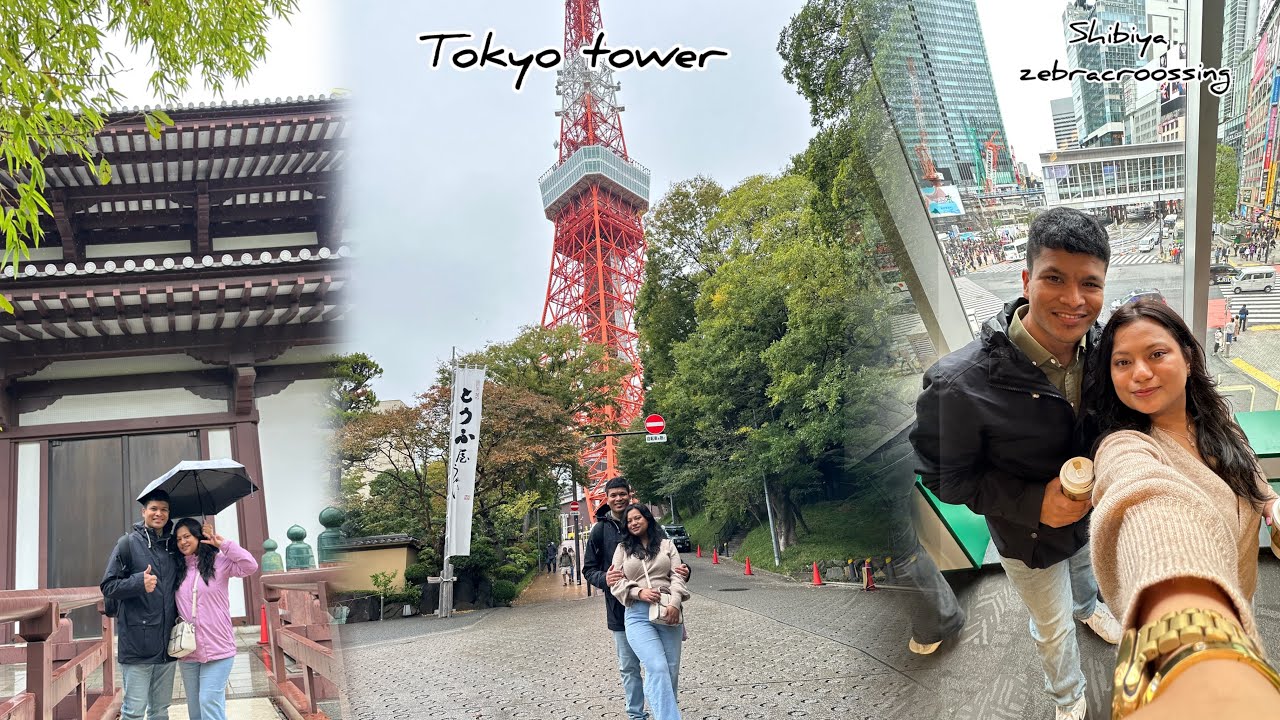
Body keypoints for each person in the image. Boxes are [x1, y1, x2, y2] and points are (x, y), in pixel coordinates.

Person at [911, 207, 1121, 720]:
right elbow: (943, 475)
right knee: (1051, 625)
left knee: (1082, 568)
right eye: (1055, 278)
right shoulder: (959, 384)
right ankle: (1067, 698)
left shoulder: (1104, 350)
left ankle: (1090, 608)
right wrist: (1034, 504)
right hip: (1024, 534)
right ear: (1027, 280)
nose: (1074, 301)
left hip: (1085, 515)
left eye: (1089, 284)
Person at [1084, 300, 1280, 717]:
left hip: (1238, 587)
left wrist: (1269, 501)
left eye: (1156, 354)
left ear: (1188, 357)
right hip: (1217, 607)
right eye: (1122, 362)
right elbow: (1148, 500)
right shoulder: (1126, 446)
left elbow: (1244, 465)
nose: (1139, 373)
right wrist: (1187, 634)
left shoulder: (1213, 415)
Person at [583, 478, 690, 720]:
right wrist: (607, 579)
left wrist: (685, 575)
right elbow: (589, 569)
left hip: (663, 608)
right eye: (613, 495)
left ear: (630, 496)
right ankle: (636, 715)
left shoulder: (658, 534)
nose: (618, 498)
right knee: (630, 668)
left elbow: (673, 566)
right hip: (622, 610)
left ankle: (664, 712)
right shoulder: (600, 530)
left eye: (622, 494)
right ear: (606, 498)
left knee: (665, 669)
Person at [100, 490, 180, 720]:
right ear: (143, 511)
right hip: (137, 644)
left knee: (160, 711)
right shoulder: (127, 544)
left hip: (167, 645)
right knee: (134, 712)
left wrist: (206, 539)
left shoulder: (172, 546)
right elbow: (108, 586)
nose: (159, 513)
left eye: (164, 509)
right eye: (154, 509)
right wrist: (137, 582)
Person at [173, 519, 259, 720]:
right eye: (178, 539)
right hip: (188, 649)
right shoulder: (177, 569)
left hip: (218, 647)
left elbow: (250, 566)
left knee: (209, 701)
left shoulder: (219, 562)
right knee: (195, 710)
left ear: (198, 536)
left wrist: (223, 544)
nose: (183, 542)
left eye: (187, 536)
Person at [610, 503, 688, 720]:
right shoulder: (622, 550)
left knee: (670, 672)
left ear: (648, 518)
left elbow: (678, 576)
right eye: (629, 520)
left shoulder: (667, 545)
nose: (633, 523)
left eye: (638, 518)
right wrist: (638, 592)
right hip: (637, 614)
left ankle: (663, 714)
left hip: (668, 611)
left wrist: (674, 603)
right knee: (657, 666)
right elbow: (615, 583)